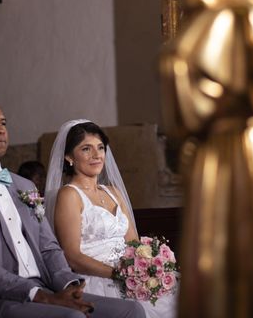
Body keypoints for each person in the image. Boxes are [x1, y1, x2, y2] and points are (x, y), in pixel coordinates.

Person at [0, 97, 144, 318]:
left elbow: (48, 246)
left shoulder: (24, 186)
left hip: (46, 286)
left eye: (3, 123)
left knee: (131, 310)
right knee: (72, 317)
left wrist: (68, 285)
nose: (0, 130)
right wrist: (40, 295)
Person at [45, 120, 177, 318]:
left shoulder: (113, 192)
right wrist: (119, 274)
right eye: (86, 149)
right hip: (97, 280)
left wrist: (148, 267)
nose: (96, 155)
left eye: (100, 148)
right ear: (69, 157)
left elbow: (133, 242)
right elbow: (72, 256)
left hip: (131, 276)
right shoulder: (69, 195)